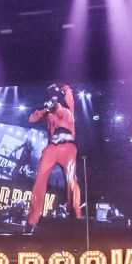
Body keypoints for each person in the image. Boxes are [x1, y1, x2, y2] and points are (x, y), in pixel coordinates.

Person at [25, 84, 81, 229]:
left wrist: (64, 87)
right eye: (51, 95)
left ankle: (76, 215)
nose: (53, 97)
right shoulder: (49, 112)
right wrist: (44, 110)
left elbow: (64, 103)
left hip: (68, 149)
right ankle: (32, 220)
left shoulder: (68, 110)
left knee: (71, 180)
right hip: (51, 148)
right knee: (39, 180)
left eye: (55, 95)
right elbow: (31, 119)